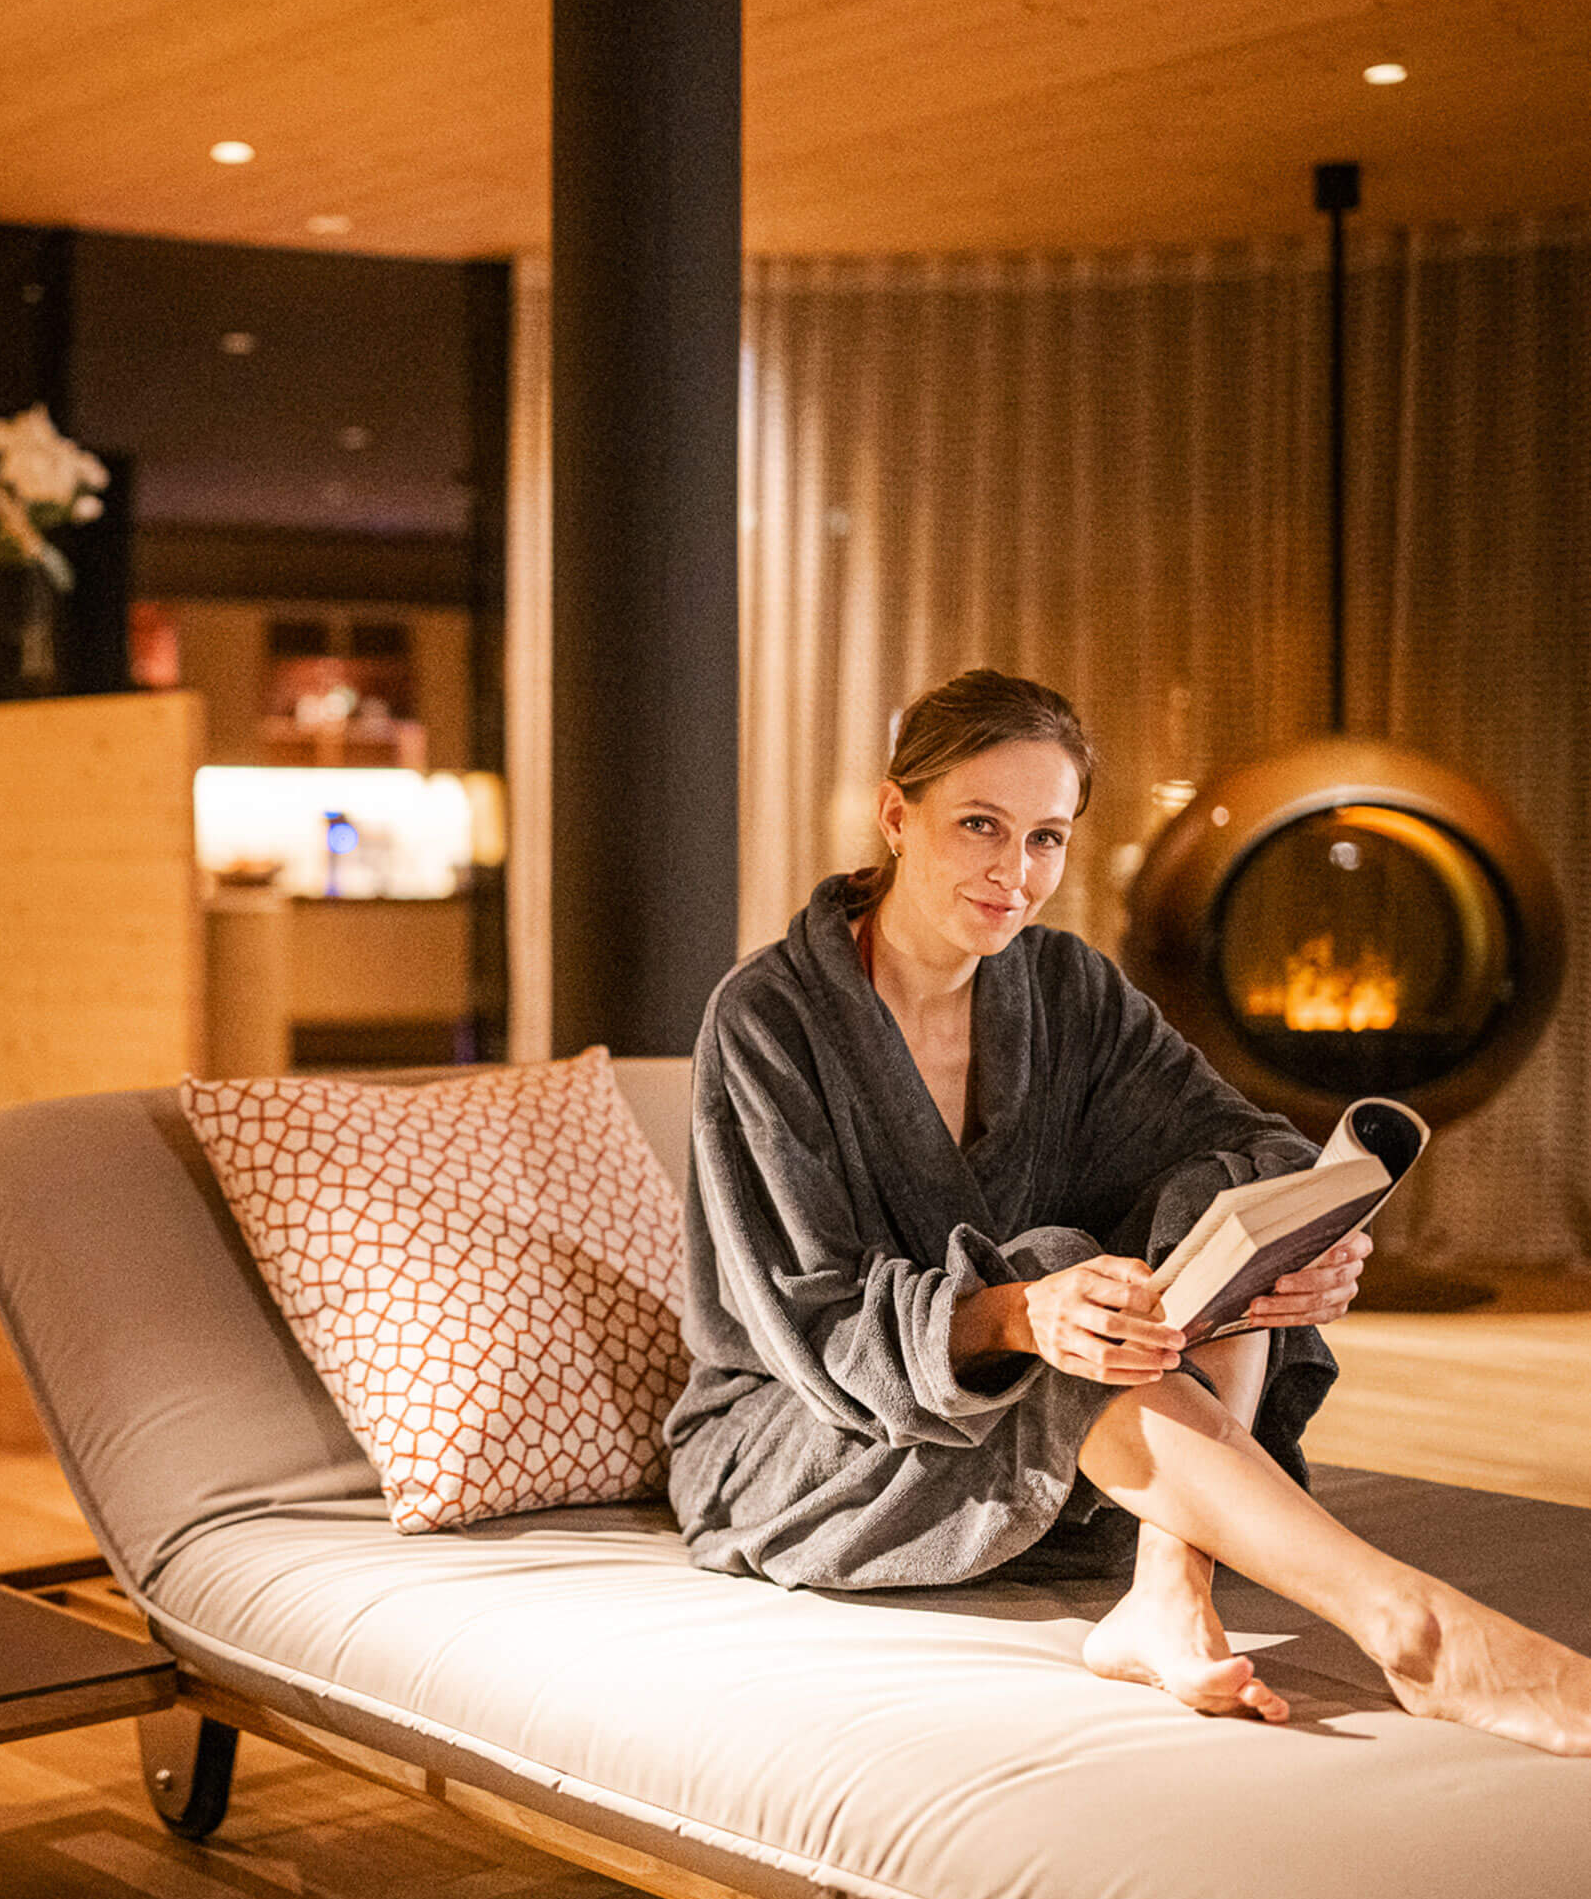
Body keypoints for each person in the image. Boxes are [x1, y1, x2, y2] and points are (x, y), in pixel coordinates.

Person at [665, 667, 1591, 1753]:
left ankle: (1166, 1583)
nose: (1013, 874)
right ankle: (1415, 1629)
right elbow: (814, 1324)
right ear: (893, 815)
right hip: (807, 1437)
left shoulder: (1067, 991)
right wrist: (1018, 1314)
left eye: (1046, 838)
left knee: (1233, 1195)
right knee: (1061, 1283)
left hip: (1040, 1414)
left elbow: (1245, 1142)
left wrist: (1307, 1245)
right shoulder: (767, 1018)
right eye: (979, 825)